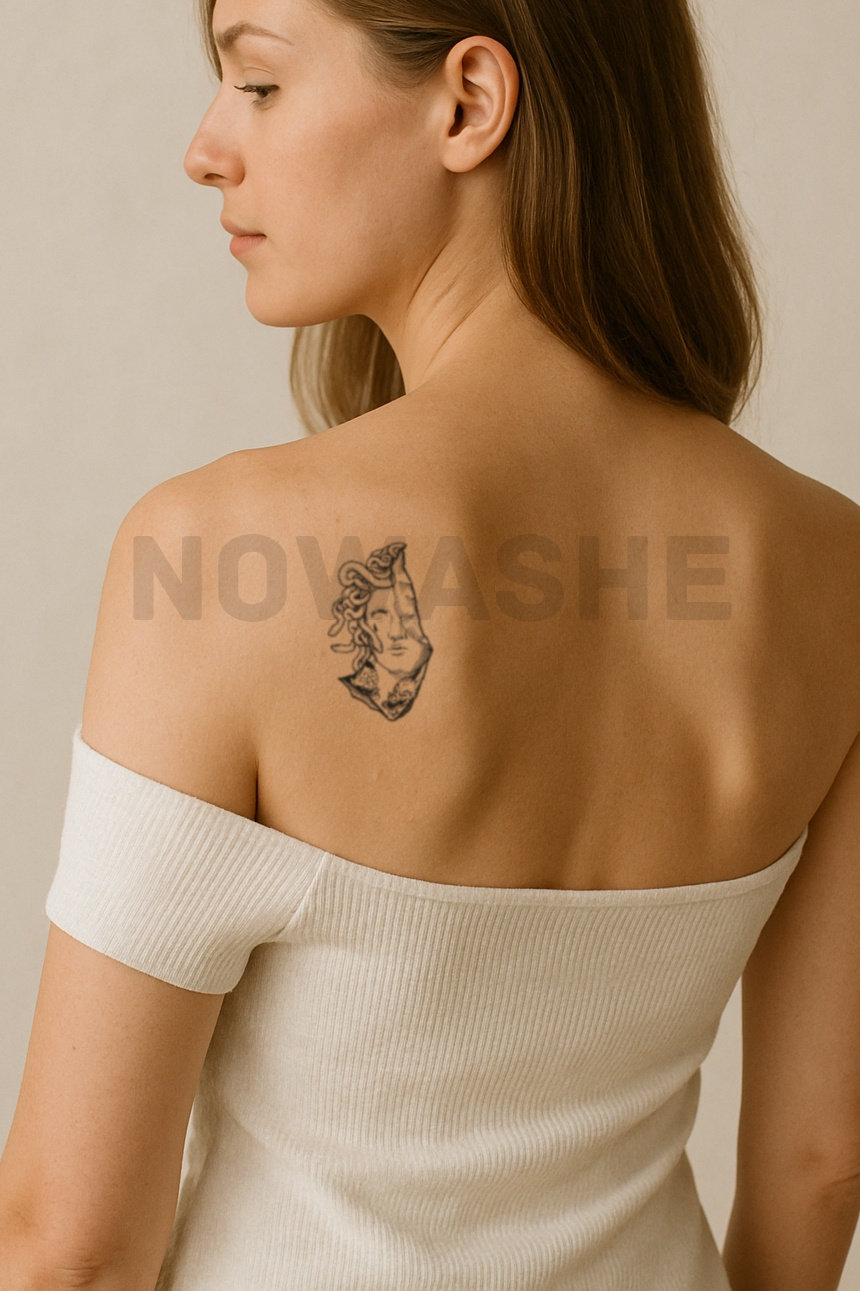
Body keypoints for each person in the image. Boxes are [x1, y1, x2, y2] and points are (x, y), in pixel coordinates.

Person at [0, 0, 858, 1287]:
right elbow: (820, 1159)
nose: (206, 149)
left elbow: (67, 1247)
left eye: (259, 83)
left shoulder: (218, 555)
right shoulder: (832, 567)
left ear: (468, 103)